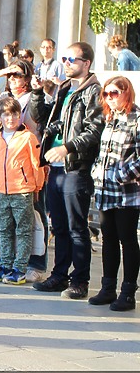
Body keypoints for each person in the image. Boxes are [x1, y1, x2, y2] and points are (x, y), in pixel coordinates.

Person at [30, 42, 103, 300]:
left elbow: (94, 130)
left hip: (75, 166)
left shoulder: (94, 91)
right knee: (58, 225)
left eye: (73, 59)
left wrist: (67, 148)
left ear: (86, 63)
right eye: (66, 58)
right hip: (56, 167)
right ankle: (59, 275)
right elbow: (47, 117)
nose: (68, 62)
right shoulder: (64, 89)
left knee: (77, 227)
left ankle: (80, 280)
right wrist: (38, 93)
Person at [89, 76, 139, 311]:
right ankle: (107, 288)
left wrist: (121, 175)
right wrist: (97, 171)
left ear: (126, 93)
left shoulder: (136, 119)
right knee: (108, 238)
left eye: (114, 93)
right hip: (104, 189)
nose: (110, 97)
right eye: (106, 94)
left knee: (127, 239)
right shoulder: (110, 119)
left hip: (127, 192)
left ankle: (128, 292)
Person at [0, 98, 44, 285]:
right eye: (6, 114)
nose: (10, 118)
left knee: (24, 230)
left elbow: (37, 164)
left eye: (14, 114)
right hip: (2, 190)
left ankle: (20, 268)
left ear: (19, 116)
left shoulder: (28, 138)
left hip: (22, 190)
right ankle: (5, 263)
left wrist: (37, 186)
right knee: (4, 229)